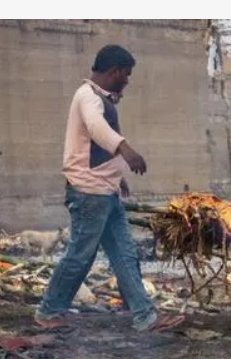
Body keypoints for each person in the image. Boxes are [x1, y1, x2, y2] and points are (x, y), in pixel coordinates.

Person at [35, 45, 183, 333]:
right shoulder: (87, 97)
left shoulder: (100, 97)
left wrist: (118, 175)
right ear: (114, 71)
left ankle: (144, 316)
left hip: (105, 191)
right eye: (126, 75)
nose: (127, 81)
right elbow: (96, 128)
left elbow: (97, 147)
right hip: (89, 194)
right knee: (80, 255)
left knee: (124, 254)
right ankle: (48, 310)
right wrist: (126, 150)